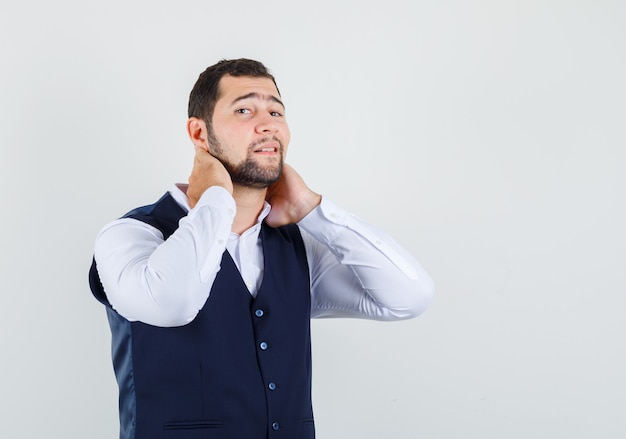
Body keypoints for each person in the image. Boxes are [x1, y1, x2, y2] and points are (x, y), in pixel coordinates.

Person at [89, 58, 434, 439]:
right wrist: (216, 199)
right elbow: (173, 302)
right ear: (200, 134)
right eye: (244, 110)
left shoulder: (297, 249)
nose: (268, 123)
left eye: (276, 111)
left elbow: (408, 296)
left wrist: (313, 211)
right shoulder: (130, 235)